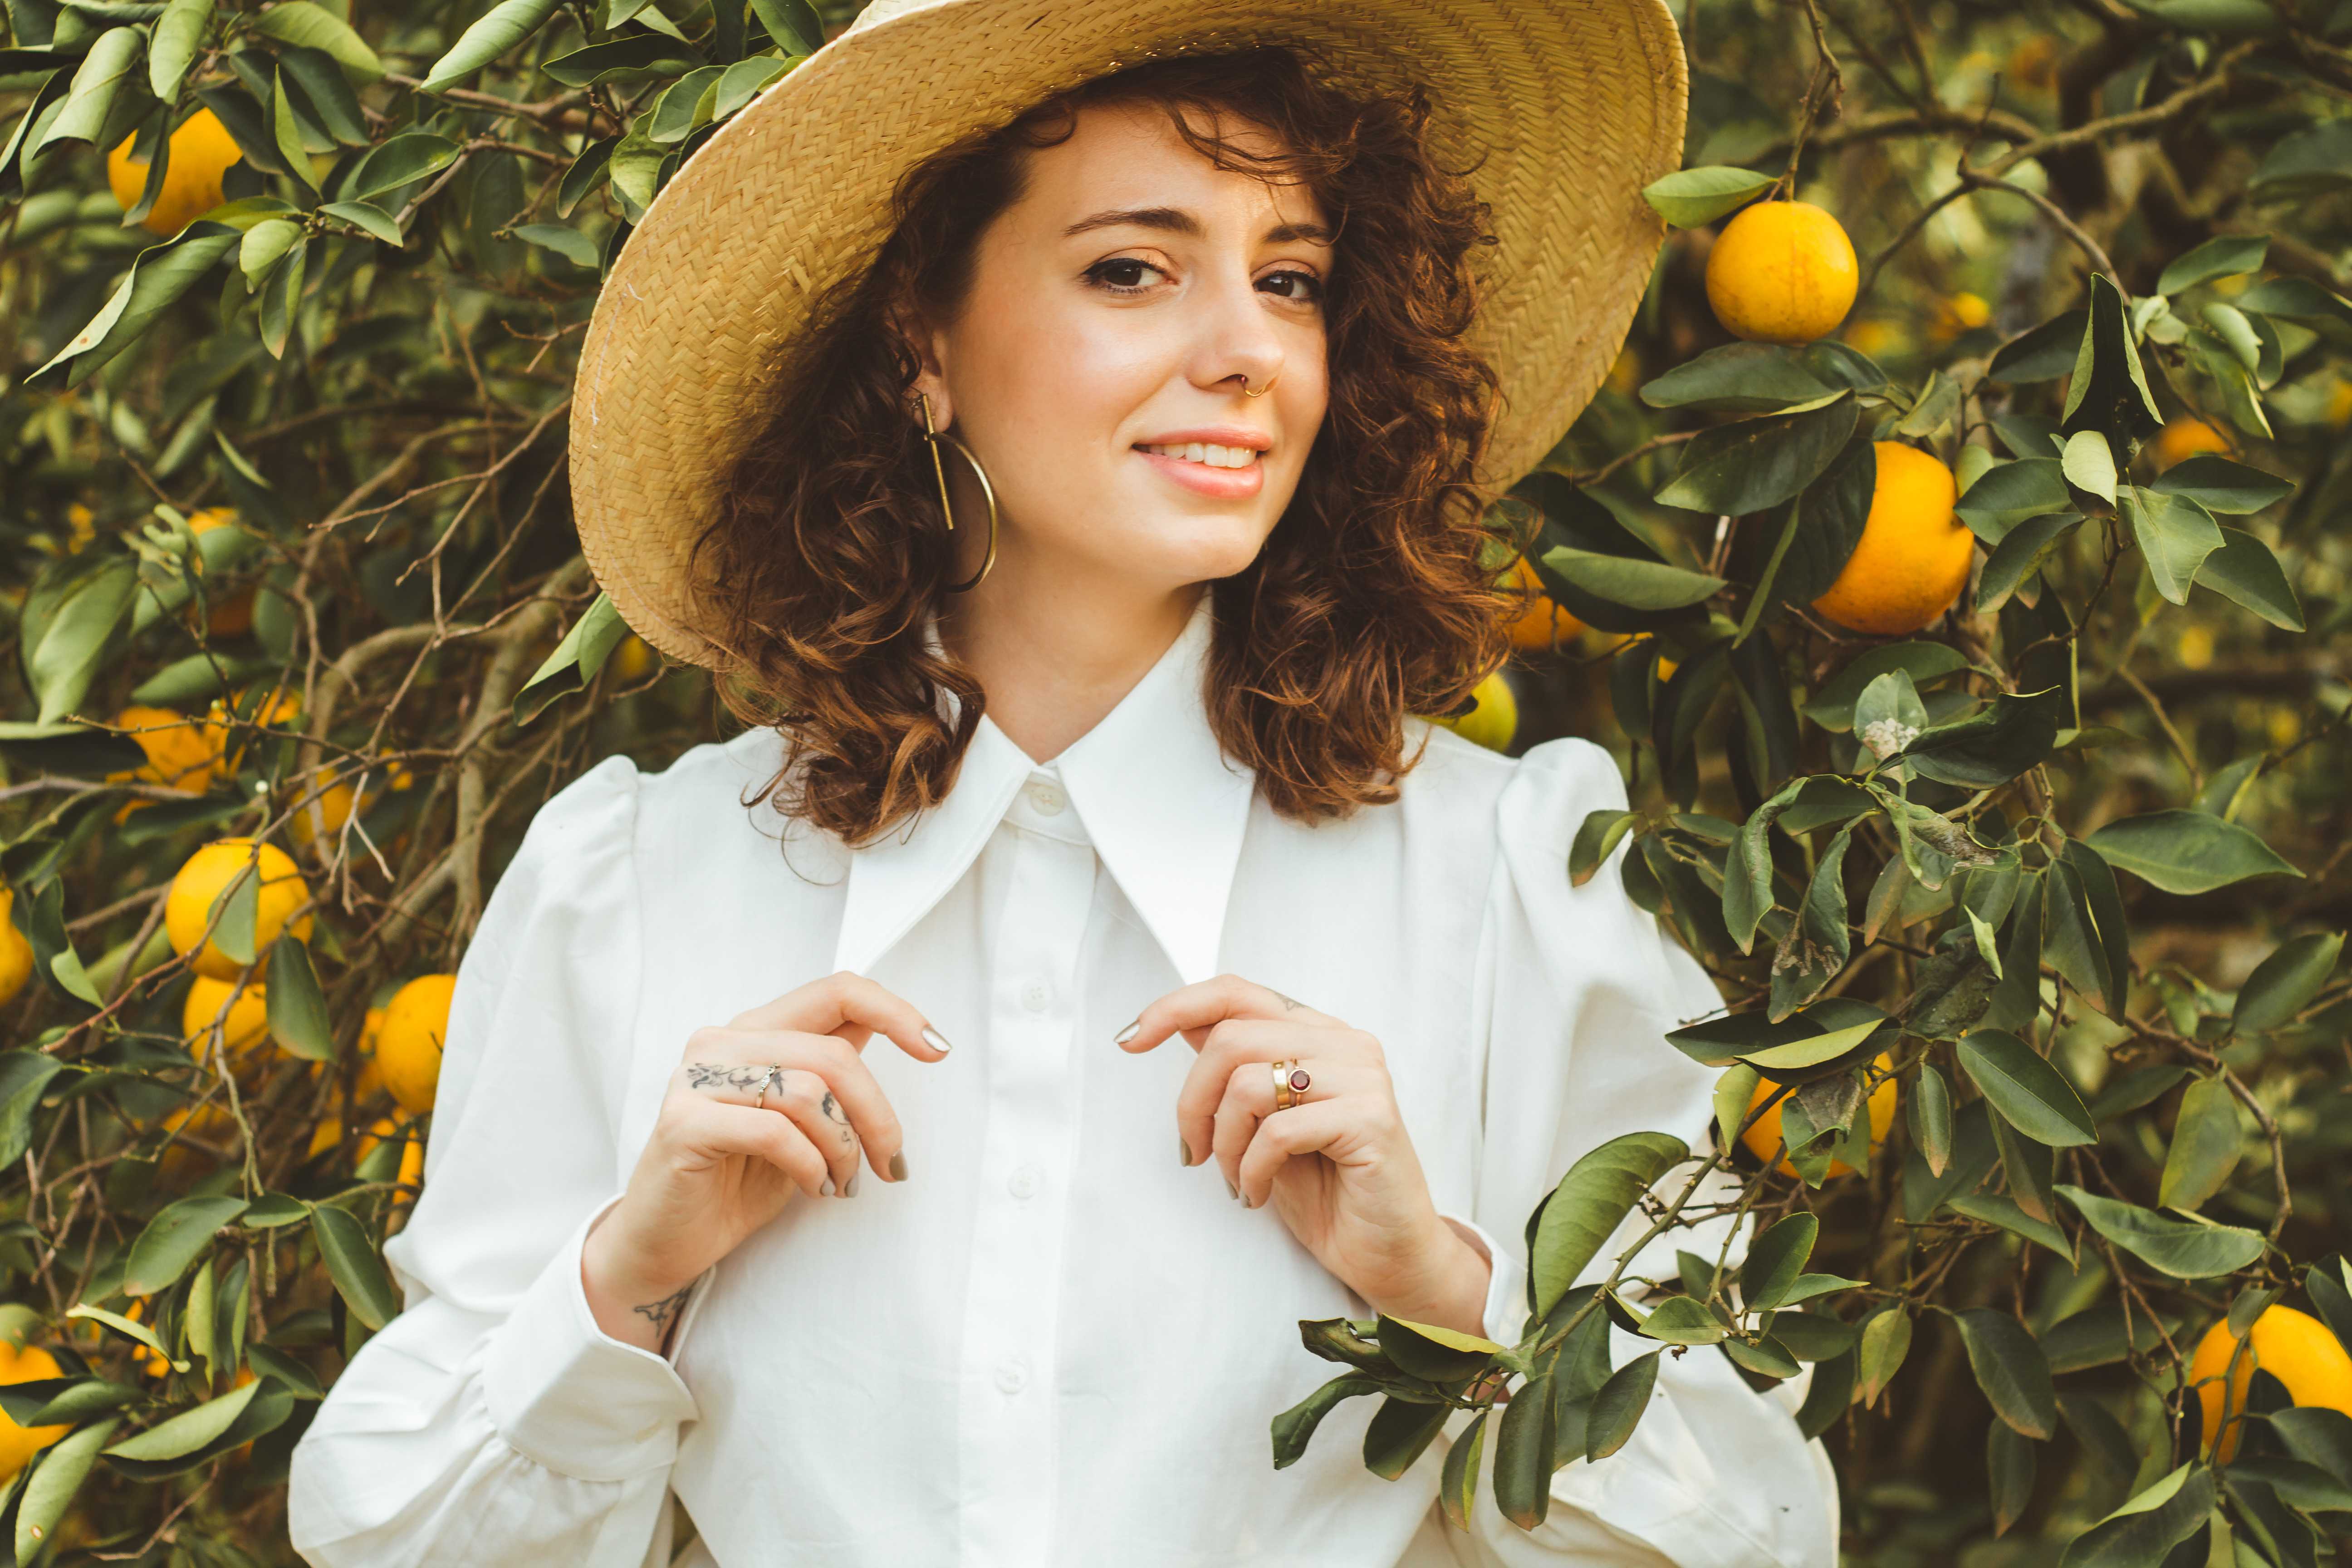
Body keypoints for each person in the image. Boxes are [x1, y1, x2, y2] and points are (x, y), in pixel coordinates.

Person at [288, 1, 1840, 1564]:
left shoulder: (1525, 881)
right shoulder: (634, 887)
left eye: (1289, 280)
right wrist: (620, 1286)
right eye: (1132, 269)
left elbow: (1757, 1527)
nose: (1246, 352)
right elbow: (385, 1534)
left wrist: (1447, 1291)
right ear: (921, 343)